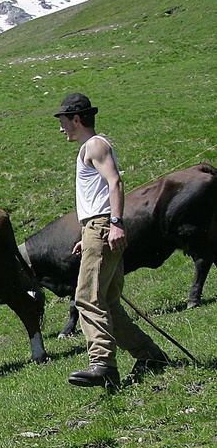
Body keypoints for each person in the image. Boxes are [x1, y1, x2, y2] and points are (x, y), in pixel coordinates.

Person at [53, 92, 169, 390]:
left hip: (103, 227)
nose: (61, 127)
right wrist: (86, 236)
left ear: (77, 118)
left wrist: (114, 224)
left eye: (64, 121)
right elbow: (97, 196)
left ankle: (102, 365)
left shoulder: (95, 145)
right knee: (110, 304)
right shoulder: (90, 147)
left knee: (87, 298)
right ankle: (151, 357)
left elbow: (115, 182)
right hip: (97, 229)